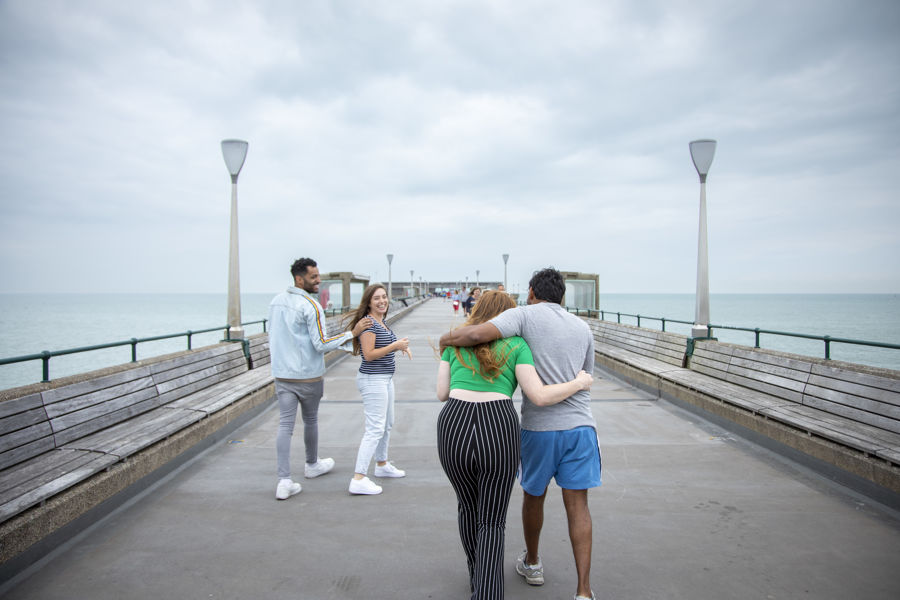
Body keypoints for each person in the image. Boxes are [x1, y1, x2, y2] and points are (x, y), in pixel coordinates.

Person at [439, 268, 599, 600]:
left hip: (533, 428)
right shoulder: (581, 328)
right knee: (576, 507)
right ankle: (583, 590)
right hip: (577, 426)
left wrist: (447, 339)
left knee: (523, 499)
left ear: (530, 292)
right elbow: (586, 374)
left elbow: (473, 339)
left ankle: (529, 563)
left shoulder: (522, 317)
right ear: (563, 295)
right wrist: (580, 384)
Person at [268, 257, 368, 501]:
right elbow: (321, 344)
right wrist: (352, 335)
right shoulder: (310, 305)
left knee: (285, 426)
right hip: (308, 377)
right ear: (299, 279)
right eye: (314, 277)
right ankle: (312, 465)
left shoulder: (275, 302)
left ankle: (284, 481)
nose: (319, 281)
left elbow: (274, 335)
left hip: (282, 375)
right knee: (310, 420)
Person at [347, 284, 411, 495]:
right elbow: (369, 354)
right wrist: (396, 346)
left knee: (387, 424)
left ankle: (381, 465)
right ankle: (358, 478)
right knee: (375, 428)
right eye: (377, 298)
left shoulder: (380, 322)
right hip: (372, 380)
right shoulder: (368, 324)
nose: (382, 301)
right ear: (368, 302)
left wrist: (401, 346)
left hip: (384, 379)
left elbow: (385, 347)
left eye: (384, 297)